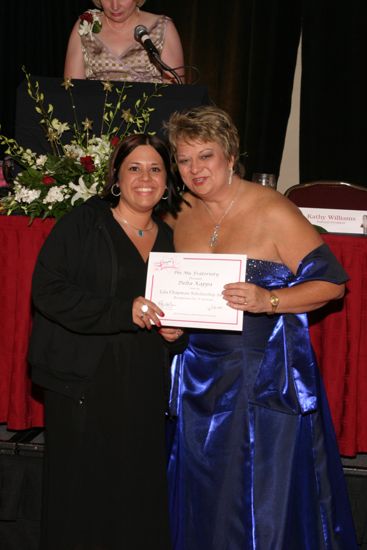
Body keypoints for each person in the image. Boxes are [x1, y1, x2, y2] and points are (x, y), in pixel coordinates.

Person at [164, 105, 358, 549]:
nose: (194, 169)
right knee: (203, 490)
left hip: (260, 376)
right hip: (197, 375)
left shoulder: (271, 208)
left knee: (253, 496)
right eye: (184, 158)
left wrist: (269, 300)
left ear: (231, 156)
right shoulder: (179, 212)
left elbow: (332, 284)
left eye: (205, 156)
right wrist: (169, 324)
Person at [28, 134, 187, 550]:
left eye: (155, 168)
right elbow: (47, 291)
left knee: (135, 493)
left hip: (142, 386)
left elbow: (170, 313)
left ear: (168, 180)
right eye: (134, 167)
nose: (145, 177)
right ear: (116, 175)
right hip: (83, 382)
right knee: (81, 495)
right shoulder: (85, 222)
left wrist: (176, 332)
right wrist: (122, 311)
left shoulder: (172, 242)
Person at [64, 0, 185, 83]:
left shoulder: (162, 27)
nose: (115, 6)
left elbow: (175, 95)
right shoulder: (86, 26)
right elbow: (72, 91)